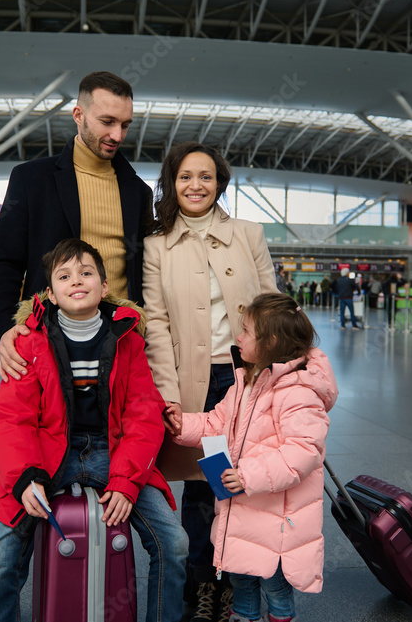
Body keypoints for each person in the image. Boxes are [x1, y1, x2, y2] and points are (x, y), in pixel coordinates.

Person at [0, 239, 187, 622]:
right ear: (52, 294)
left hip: (114, 453)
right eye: (64, 276)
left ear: (104, 287)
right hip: (47, 456)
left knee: (174, 543)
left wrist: (126, 482)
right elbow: (13, 418)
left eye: (86, 272)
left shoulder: (128, 340)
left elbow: (143, 414)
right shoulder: (29, 342)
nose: (77, 281)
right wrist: (26, 478)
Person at [142, 141, 277, 622]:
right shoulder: (156, 246)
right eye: (184, 176)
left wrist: (282, 375)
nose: (195, 185)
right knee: (202, 487)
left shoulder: (248, 233)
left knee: (244, 483)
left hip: (245, 378)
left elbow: (272, 306)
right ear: (171, 183)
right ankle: (204, 584)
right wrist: (169, 393)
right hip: (194, 382)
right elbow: (154, 323)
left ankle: (240, 582)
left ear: (219, 182)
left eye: (205, 176)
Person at [164, 293, 337, 622]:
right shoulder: (243, 382)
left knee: (275, 591)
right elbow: (216, 424)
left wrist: (248, 476)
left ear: (271, 341)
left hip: (276, 524)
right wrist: (180, 422)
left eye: (245, 331)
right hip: (241, 517)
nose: (238, 337)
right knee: (241, 583)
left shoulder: (298, 392)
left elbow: (302, 453)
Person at [0, 71, 153, 383]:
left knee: (122, 431)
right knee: (45, 429)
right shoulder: (31, 180)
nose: (118, 135)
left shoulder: (138, 192)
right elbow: (3, 264)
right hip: (46, 342)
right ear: (79, 115)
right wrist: (4, 331)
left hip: (119, 346)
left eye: (125, 124)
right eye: (107, 121)